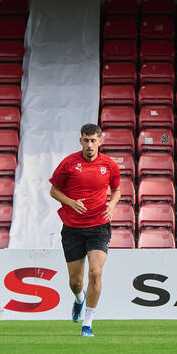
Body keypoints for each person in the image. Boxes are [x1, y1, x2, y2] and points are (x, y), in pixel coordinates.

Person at [49, 123, 121, 338]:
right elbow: (54, 190)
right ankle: (79, 299)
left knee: (96, 272)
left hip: (99, 226)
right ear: (80, 140)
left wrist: (112, 205)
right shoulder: (69, 163)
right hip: (72, 228)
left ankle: (87, 323)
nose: (90, 145)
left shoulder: (109, 165)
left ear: (101, 140)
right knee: (76, 281)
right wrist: (70, 202)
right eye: (86, 140)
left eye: (93, 140)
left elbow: (117, 190)